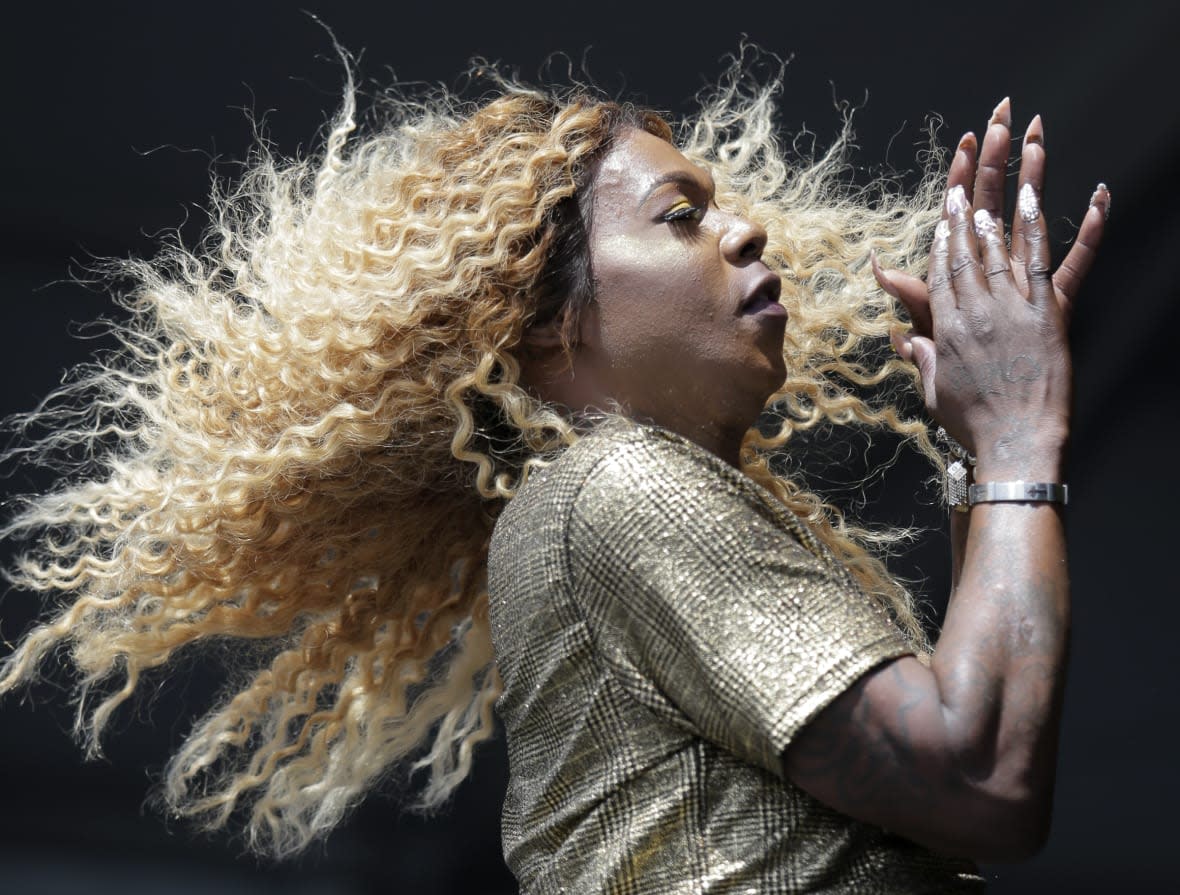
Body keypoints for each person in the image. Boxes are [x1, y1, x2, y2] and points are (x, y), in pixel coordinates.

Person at [0, 52, 1106, 892]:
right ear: (540, 327)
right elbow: (980, 783)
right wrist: (1014, 432)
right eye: (682, 217)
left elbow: (971, 756)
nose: (749, 232)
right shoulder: (618, 493)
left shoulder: (612, 501)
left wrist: (976, 442)